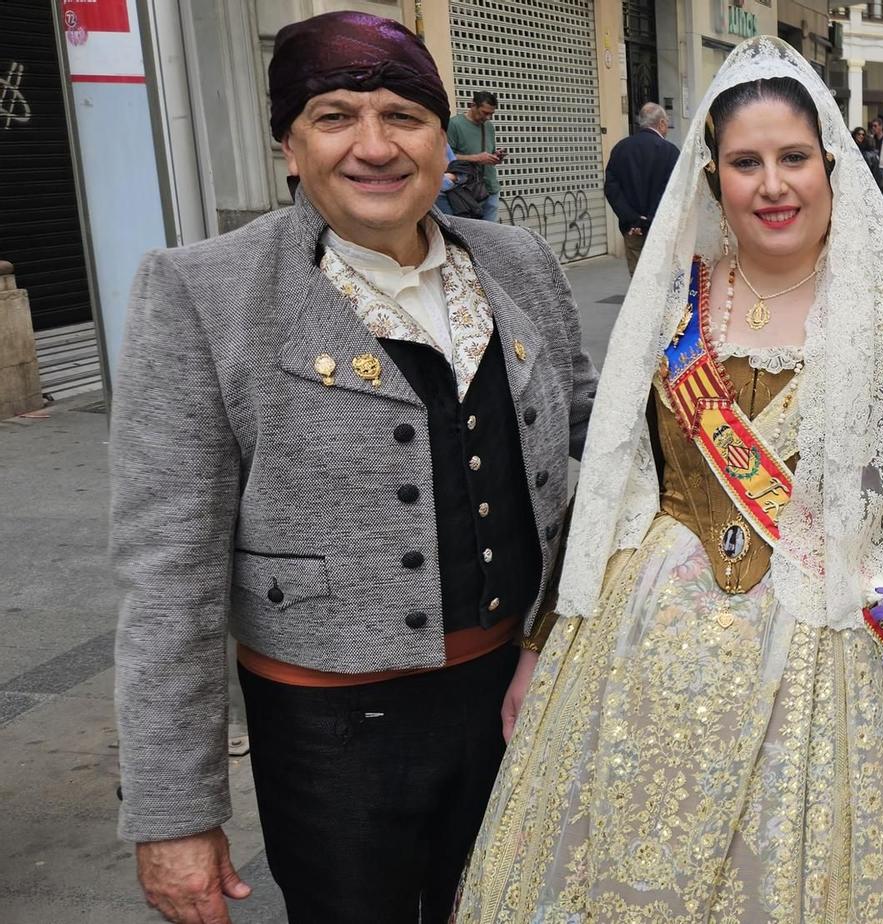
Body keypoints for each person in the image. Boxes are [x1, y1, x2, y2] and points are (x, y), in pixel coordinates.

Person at [458, 37, 883, 920]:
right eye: (746, 162)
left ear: (831, 167)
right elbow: (613, 483)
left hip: (824, 652)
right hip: (647, 640)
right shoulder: (674, 302)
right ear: (713, 178)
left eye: (792, 159)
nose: (772, 185)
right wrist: (543, 646)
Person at [111, 12, 598, 922]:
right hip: (331, 739)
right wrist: (175, 813)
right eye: (335, 116)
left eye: (404, 117)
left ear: (441, 143)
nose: (374, 146)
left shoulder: (516, 261)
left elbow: (599, 441)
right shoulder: (204, 291)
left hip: (517, 700)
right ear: (289, 146)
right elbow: (166, 574)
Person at [604, 102, 682, 276]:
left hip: (632, 229)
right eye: (666, 123)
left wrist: (633, 220)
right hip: (661, 229)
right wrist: (650, 220)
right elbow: (672, 191)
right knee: (662, 279)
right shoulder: (670, 152)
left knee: (638, 281)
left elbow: (612, 188)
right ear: (661, 123)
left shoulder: (621, 148)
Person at [447, 90, 507, 221]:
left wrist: (495, 157)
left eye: (491, 114)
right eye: (485, 113)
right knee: (471, 236)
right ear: (472, 105)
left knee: (491, 235)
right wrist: (476, 158)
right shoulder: (454, 124)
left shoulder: (489, 126)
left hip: (491, 188)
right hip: (467, 191)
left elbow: (488, 153)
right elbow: (445, 157)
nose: (488, 117)